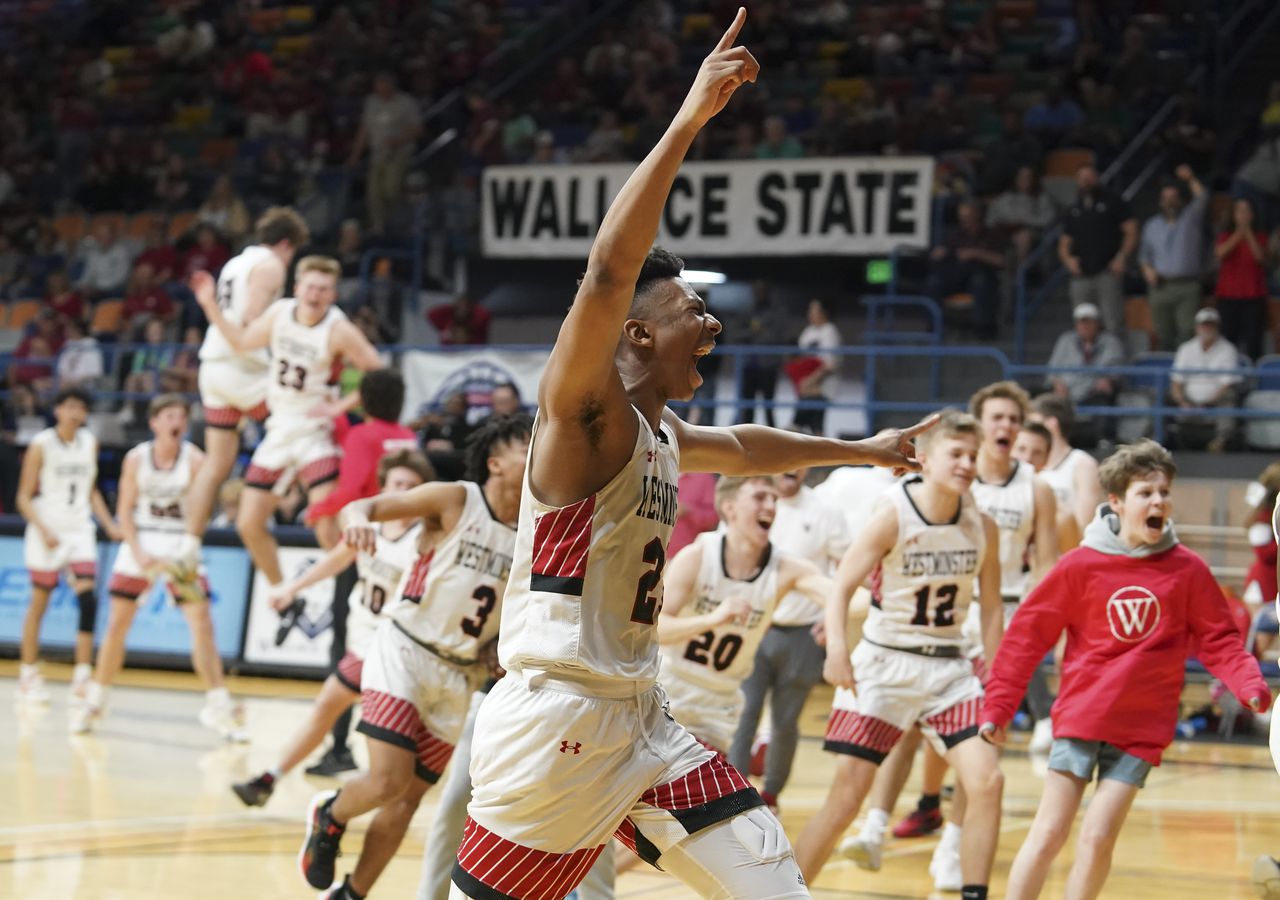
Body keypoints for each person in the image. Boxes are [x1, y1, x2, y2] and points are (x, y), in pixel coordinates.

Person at [448, 12, 927, 898]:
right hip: (554, 722)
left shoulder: (664, 432)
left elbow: (747, 448)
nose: (712, 323)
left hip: (644, 720)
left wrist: (863, 448)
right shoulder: (583, 416)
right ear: (634, 331)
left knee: (775, 883)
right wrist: (689, 119)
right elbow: (603, 271)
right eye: (690, 313)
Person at [981, 440, 1270, 900]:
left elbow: (1219, 640)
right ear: (1115, 502)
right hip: (1082, 717)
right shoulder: (1080, 565)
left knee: (1097, 839)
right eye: (1145, 493)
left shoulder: (1187, 570)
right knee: (1050, 833)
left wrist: (1249, 683)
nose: (1159, 501)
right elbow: (1026, 638)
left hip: (1142, 728)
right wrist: (998, 706)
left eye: (1164, 492)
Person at [299, 415, 529, 900]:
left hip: (459, 673)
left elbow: (508, 608)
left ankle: (352, 893)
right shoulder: (456, 499)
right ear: (496, 463)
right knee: (387, 781)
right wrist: (358, 520)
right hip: (404, 648)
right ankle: (330, 814)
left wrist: (497, 646)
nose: (537, 452)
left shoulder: (533, 529)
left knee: (406, 801)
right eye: (526, 444)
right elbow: (365, 506)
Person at [793, 411, 1004, 900]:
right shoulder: (893, 512)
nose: (968, 464)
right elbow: (842, 585)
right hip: (886, 662)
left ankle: (974, 893)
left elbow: (991, 607)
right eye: (957, 453)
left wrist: (998, 680)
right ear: (925, 459)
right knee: (847, 798)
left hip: (950, 667)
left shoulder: (983, 525)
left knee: (987, 781)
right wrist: (838, 652)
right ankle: (784, 893)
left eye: (974, 455)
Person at [231, 450, 432, 806]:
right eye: (398, 484)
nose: (403, 492)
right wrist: (290, 589)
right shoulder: (367, 527)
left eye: (411, 487)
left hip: (396, 646)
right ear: (384, 487)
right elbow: (335, 560)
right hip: (363, 637)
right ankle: (274, 778)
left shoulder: (426, 540)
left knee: (351, 715)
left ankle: (293, 784)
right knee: (331, 709)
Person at [192, 255, 385, 588]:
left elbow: (378, 372)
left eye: (323, 289)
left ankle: (365, 590)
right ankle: (283, 592)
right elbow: (239, 342)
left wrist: (340, 406)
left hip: (314, 432)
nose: (315, 294)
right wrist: (210, 305)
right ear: (297, 288)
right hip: (279, 429)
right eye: (310, 286)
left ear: (333, 294)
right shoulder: (279, 313)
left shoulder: (338, 330)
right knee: (248, 524)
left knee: (326, 526)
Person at [71, 395, 245, 738]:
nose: (175, 421)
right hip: (142, 541)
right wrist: (136, 550)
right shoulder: (136, 459)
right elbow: (125, 508)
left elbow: (203, 510)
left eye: (180, 416)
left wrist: (186, 548)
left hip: (180, 542)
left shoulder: (195, 460)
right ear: (154, 423)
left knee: (201, 624)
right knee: (117, 625)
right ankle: (96, 699)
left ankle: (218, 703)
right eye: (168, 415)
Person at [299, 368, 422, 775]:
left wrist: (315, 510)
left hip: (366, 544)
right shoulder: (406, 438)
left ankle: (338, 749)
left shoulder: (362, 436)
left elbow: (352, 491)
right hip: (403, 548)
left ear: (364, 401)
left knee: (345, 647)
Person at [177, 207, 310, 572]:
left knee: (217, 463)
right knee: (300, 427)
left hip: (214, 367)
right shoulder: (271, 265)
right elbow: (252, 323)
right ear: (286, 244)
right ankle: (290, 499)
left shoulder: (238, 261)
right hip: (244, 369)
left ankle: (188, 544)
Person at [728, 466, 849, 811]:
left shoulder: (825, 511)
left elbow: (847, 568)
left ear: (806, 468)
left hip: (803, 632)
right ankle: (735, 792)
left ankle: (772, 794)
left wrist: (832, 619)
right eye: (783, 463)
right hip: (756, 627)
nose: (791, 470)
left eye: (799, 463)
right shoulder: (752, 506)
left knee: (785, 720)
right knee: (744, 711)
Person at [16, 386, 121, 703]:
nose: (76, 413)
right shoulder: (41, 444)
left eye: (81, 407)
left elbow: (91, 490)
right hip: (48, 528)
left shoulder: (89, 441)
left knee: (88, 600)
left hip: (79, 530)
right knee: (40, 603)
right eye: (70, 406)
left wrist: (109, 524)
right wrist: (43, 528)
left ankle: (82, 676)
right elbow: (22, 497)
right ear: (58, 410)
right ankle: (28, 674)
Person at [1059, 164, 1138, 338]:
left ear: (1097, 178)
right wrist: (1068, 260)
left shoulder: (1113, 201)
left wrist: (1121, 257)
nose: (1085, 182)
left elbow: (1131, 231)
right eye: (1082, 178)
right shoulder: (1074, 208)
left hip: (1107, 272)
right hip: (1081, 274)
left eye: (1089, 177)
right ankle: (1087, 361)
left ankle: (1114, 362)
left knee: (1112, 323)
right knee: (1082, 323)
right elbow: (1064, 243)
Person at [1139, 166, 1209, 351]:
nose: (1169, 202)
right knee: (1163, 334)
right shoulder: (1152, 224)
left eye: (1173, 198)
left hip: (1186, 285)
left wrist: (1191, 178)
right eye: (1165, 198)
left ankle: (1184, 374)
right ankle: (1167, 375)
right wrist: (1148, 270)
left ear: (1180, 200)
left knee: (1186, 333)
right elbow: (1144, 255)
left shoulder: (1190, 219)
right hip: (1160, 286)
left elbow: (1202, 198)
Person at [347, 71, 421, 235]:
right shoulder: (371, 102)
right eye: (377, 85)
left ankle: (401, 221)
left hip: (399, 152)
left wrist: (399, 140)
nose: (379, 89)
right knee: (373, 192)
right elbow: (364, 130)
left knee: (391, 188)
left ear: (391, 85)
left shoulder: (406, 102)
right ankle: (378, 226)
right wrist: (355, 155)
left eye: (383, 85)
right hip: (378, 153)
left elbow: (418, 129)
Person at [927, 199, 1007, 339]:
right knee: (934, 282)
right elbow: (941, 252)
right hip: (957, 275)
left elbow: (1002, 261)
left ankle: (984, 328)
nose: (965, 221)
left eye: (968, 217)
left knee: (980, 282)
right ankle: (934, 326)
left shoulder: (992, 234)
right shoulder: (956, 234)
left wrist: (976, 253)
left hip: (983, 274)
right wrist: (939, 254)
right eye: (962, 218)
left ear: (978, 216)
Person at [1029, 393, 1102, 545]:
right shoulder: (1029, 463)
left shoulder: (1082, 464)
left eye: (1034, 424)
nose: (1029, 431)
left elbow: (1085, 527)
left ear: (1051, 424)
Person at [1169, 307, 1243, 452]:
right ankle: (1155, 439)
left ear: (1217, 327)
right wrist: (1182, 401)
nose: (1207, 328)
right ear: (1197, 327)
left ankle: (1221, 441)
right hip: (1188, 398)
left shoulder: (1228, 349)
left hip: (1216, 398)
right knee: (1161, 395)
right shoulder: (1186, 348)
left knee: (1230, 396)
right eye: (1204, 325)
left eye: (1211, 325)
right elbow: (1176, 382)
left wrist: (1207, 403)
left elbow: (1227, 385)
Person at [1214, 197, 1269, 360]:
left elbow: (1260, 257)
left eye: (1247, 211)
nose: (1243, 214)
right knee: (1228, 341)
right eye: (1239, 211)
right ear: (1233, 215)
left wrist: (1248, 232)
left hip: (1254, 296)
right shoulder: (1225, 235)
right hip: (1228, 296)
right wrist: (1239, 232)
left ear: (1253, 215)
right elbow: (1220, 253)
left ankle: (1253, 378)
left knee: (1253, 341)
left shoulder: (1261, 237)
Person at [729, 280, 788, 426]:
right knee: (747, 407)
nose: (759, 294)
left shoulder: (777, 312)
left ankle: (773, 441)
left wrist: (759, 334)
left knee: (768, 407)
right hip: (749, 365)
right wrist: (753, 332)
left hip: (768, 366)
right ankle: (746, 439)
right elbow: (734, 334)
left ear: (768, 292)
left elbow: (777, 336)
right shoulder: (747, 311)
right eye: (756, 291)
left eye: (762, 290)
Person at [1047, 303, 1127, 407]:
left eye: (1089, 322)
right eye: (1081, 322)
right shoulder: (1065, 340)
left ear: (1097, 323)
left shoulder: (1111, 342)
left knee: (1103, 399)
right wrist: (1057, 384)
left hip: (1094, 392)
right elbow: (1052, 370)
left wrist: (1108, 379)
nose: (1085, 326)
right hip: (1066, 392)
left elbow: (1118, 369)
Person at [793, 298, 840, 435]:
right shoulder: (808, 332)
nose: (809, 313)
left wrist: (810, 381)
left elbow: (830, 364)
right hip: (807, 385)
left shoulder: (830, 331)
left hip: (823, 385)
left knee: (805, 423)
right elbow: (800, 358)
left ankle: (793, 428)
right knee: (813, 425)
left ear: (824, 312)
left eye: (813, 310)